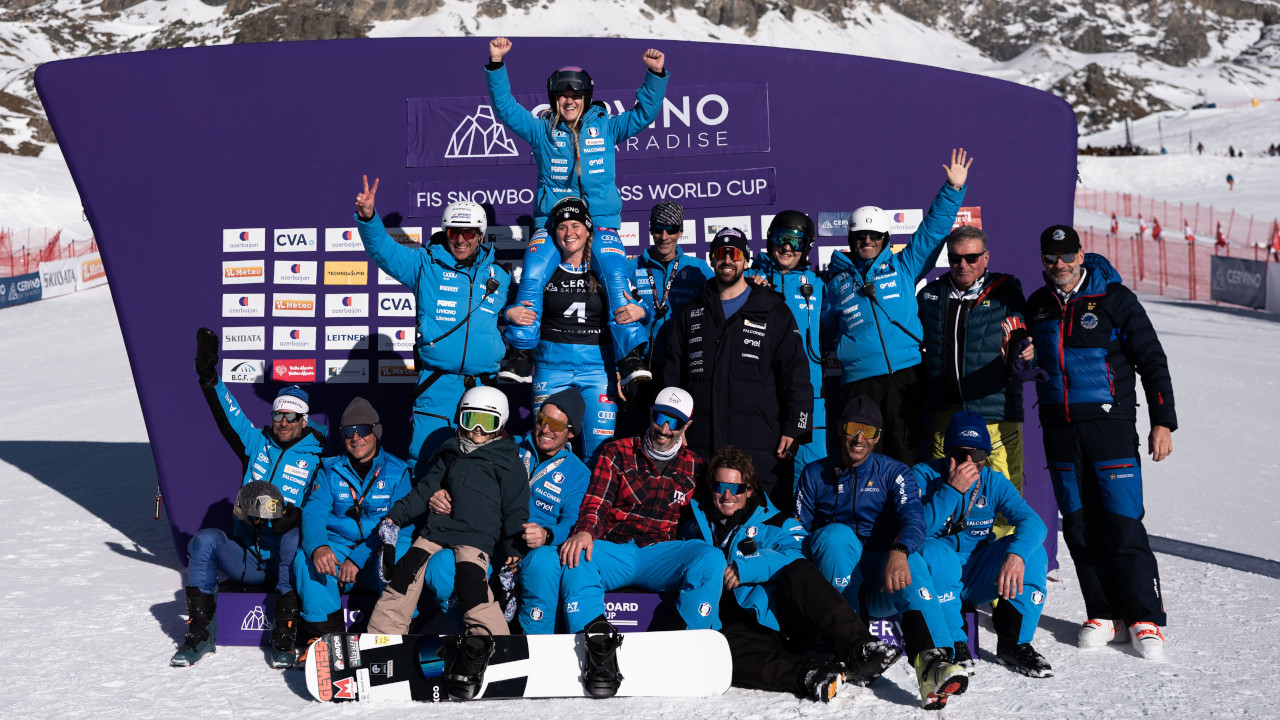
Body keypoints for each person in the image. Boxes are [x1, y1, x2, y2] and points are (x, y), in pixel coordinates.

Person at [1026, 225, 1177, 661]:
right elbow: (1027, 364)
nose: (1059, 265)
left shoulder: (1115, 298)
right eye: (1050, 258)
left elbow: (1152, 359)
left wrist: (1163, 421)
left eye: (1066, 256)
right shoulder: (1038, 306)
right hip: (1059, 430)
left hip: (1110, 428)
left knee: (1123, 521)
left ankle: (1144, 617)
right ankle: (1103, 612)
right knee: (1077, 523)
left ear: (1080, 254)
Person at [486, 37, 667, 387]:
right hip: (554, 224)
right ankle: (521, 353)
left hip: (600, 224)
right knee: (534, 270)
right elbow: (506, 109)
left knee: (615, 275)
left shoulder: (607, 126)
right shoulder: (542, 131)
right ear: (555, 99)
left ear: (586, 98)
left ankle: (629, 355)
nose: (570, 101)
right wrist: (496, 64)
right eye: (563, 96)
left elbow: (644, 114)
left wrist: (655, 75)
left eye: (576, 95)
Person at [678, 446, 902, 703]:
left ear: (749, 490)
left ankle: (859, 648)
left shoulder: (777, 522)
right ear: (711, 487)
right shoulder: (692, 526)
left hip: (780, 618)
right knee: (722, 653)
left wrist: (748, 566)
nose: (728, 495)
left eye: (737, 488)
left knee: (799, 571)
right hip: (732, 626)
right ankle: (811, 673)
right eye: (720, 486)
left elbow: (797, 552)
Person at [549, 387, 728, 697]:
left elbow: (717, 506)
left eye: (675, 422)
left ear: (686, 425)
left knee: (710, 557)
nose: (665, 429)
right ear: (650, 415)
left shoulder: (695, 465)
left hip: (660, 553)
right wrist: (586, 530)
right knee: (577, 556)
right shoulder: (616, 451)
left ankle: (689, 642)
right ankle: (597, 651)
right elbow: (597, 502)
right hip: (616, 548)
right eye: (660, 418)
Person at [796, 395, 968, 710]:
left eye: (868, 430)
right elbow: (796, 533)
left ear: (878, 436)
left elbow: (914, 519)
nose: (859, 438)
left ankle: (932, 661)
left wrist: (900, 550)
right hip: (836, 582)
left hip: (881, 579)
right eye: (852, 428)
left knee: (914, 558)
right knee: (835, 536)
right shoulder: (813, 473)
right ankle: (842, 645)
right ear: (839, 429)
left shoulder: (895, 473)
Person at [172, 328, 327, 668]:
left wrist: (294, 516)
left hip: (282, 560)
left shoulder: (319, 454)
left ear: (303, 420)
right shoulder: (256, 442)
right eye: (277, 414)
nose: (282, 422)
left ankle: (285, 636)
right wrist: (208, 376)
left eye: (291, 416)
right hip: (244, 558)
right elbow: (229, 413)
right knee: (204, 542)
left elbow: (351, 459)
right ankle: (199, 635)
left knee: (293, 538)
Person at [367, 386, 530, 699]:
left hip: (475, 538)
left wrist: (513, 551)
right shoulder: (450, 453)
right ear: (460, 420)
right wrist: (395, 518)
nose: (477, 430)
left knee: (471, 582)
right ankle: (381, 639)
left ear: (501, 424)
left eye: (487, 422)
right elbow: (424, 491)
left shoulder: (507, 462)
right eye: (471, 420)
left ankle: (490, 641)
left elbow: (516, 509)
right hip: (435, 532)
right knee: (405, 573)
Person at [821, 148, 974, 464]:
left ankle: (908, 511)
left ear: (885, 238)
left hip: (905, 375)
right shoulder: (834, 284)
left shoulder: (903, 267)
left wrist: (953, 189)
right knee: (864, 459)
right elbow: (824, 329)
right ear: (851, 239)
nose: (867, 242)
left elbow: (932, 231)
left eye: (874, 236)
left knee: (906, 451)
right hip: (859, 382)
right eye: (861, 236)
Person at [354, 178, 512, 470]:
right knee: (429, 465)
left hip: (483, 387)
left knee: (483, 468)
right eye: (454, 232)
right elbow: (385, 251)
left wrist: (513, 315)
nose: (460, 239)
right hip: (437, 385)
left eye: (468, 232)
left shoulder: (500, 277)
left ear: (480, 235)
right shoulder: (424, 265)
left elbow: (518, 312)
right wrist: (368, 219)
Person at [418, 390, 592, 634]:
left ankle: (534, 646)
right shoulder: (509, 446)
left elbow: (572, 523)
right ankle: (477, 636)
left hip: (533, 551)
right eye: (542, 419)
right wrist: (436, 492)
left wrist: (547, 535)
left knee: (543, 565)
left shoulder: (579, 472)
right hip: (489, 542)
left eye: (555, 424)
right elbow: (457, 467)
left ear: (571, 432)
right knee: (441, 566)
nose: (544, 429)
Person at [665, 227, 813, 508]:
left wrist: (795, 428)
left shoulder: (773, 310)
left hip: (760, 443)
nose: (727, 260)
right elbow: (673, 377)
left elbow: (796, 376)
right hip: (702, 443)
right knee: (702, 522)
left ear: (746, 260)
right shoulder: (690, 313)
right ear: (711, 260)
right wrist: (674, 425)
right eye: (720, 254)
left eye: (735, 254)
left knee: (764, 525)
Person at [916, 226, 1040, 532]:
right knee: (943, 486)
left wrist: (1026, 352)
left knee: (1002, 492)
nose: (963, 265)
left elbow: (1024, 333)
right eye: (956, 258)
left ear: (985, 258)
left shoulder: (1005, 290)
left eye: (971, 257)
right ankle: (945, 553)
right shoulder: (931, 294)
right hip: (946, 412)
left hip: (994, 412)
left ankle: (1001, 560)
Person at [503, 197, 645, 459]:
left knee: (599, 453)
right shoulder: (543, 267)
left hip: (596, 372)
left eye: (576, 225)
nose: (569, 233)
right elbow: (510, 306)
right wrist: (508, 311)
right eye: (562, 227)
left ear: (588, 228)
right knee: (548, 449)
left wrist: (641, 309)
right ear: (553, 232)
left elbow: (639, 306)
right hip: (551, 370)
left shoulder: (604, 266)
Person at [915, 412, 1052, 678]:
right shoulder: (922, 475)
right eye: (960, 452)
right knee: (934, 550)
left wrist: (1015, 555)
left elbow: (1034, 524)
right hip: (937, 576)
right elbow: (915, 532)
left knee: (1033, 553)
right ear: (947, 452)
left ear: (986, 455)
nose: (969, 462)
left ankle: (1014, 643)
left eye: (976, 454)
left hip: (976, 576)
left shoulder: (992, 481)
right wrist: (951, 491)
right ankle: (954, 642)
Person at [294, 397, 414, 653]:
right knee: (306, 558)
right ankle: (324, 643)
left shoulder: (399, 472)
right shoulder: (329, 470)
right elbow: (313, 514)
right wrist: (318, 548)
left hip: (377, 558)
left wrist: (360, 556)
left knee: (400, 550)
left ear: (376, 432)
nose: (356, 438)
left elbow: (397, 525)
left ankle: (393, 640)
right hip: (339, 558)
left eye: (363, 430)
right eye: (349, 432)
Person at [746, 210, 828, 490]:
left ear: (807, 246)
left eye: (797, 241)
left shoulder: (818, 286)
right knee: (764, 469)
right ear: (771, 240)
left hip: (810, 396)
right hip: (763, 394)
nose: (788, 248)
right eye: (782, 238)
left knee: (814, 473)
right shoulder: (748, 282)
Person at [619, 201, 713, 436]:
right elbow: (610, 320)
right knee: (638, 435)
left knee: (674, 435)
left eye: (671, 229)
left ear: (680, 231)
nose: (664, 236)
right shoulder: (629, 268)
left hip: (682, 368)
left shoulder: (698, 270)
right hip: (638, 368)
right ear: (650, 230)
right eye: (658, 229)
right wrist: (617, 367)